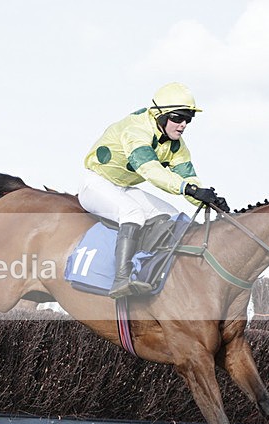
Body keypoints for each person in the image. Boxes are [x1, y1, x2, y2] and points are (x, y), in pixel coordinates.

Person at [79, 82, 230, 299]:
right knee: (132, 213)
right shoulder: (136, 130)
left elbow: (188, 178)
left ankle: (148, 270)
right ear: (159, 115)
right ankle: (121, 279)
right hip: (95, 184)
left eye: (188, 119)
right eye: (178, 117)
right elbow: (150, 169)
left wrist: (208, 200)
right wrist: (188, 189)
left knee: (172, 216)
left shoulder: (177, 145)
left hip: (123, 188)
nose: (183, 124)